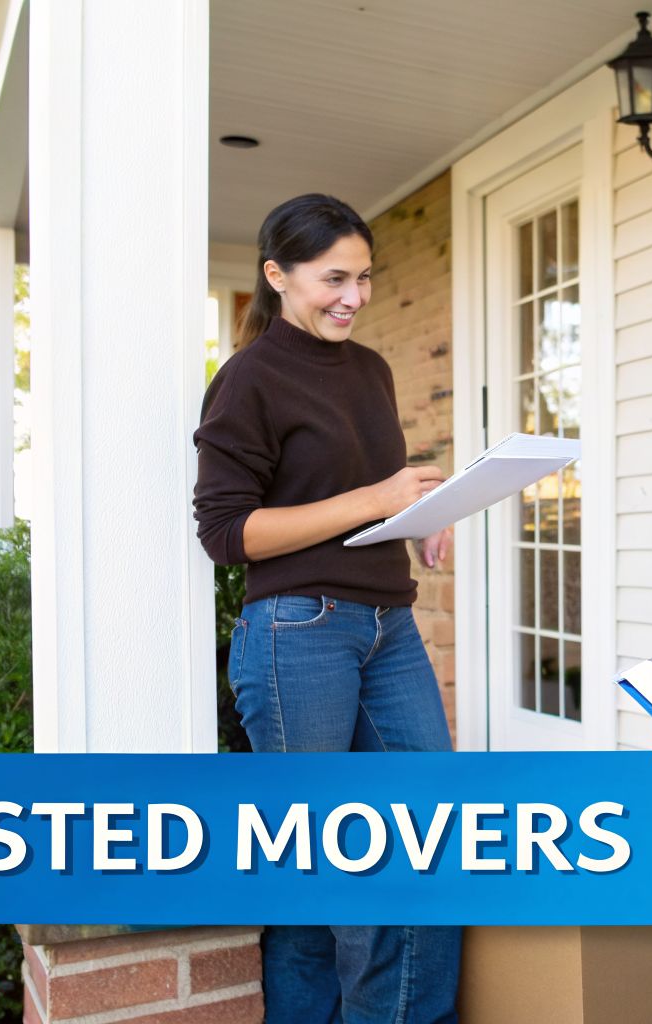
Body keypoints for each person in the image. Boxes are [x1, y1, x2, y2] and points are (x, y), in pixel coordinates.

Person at [193, 193, 459, 1023]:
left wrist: (418, 518)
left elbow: (363, 498)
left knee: (423, 838)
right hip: (295, 635)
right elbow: (228, 532)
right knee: (325, 859)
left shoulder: (372, 370)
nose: (354, 295)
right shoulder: (248, 380)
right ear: (277, 276)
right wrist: (374, 497)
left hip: (388, 624)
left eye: (366, 277)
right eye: (334, 278)